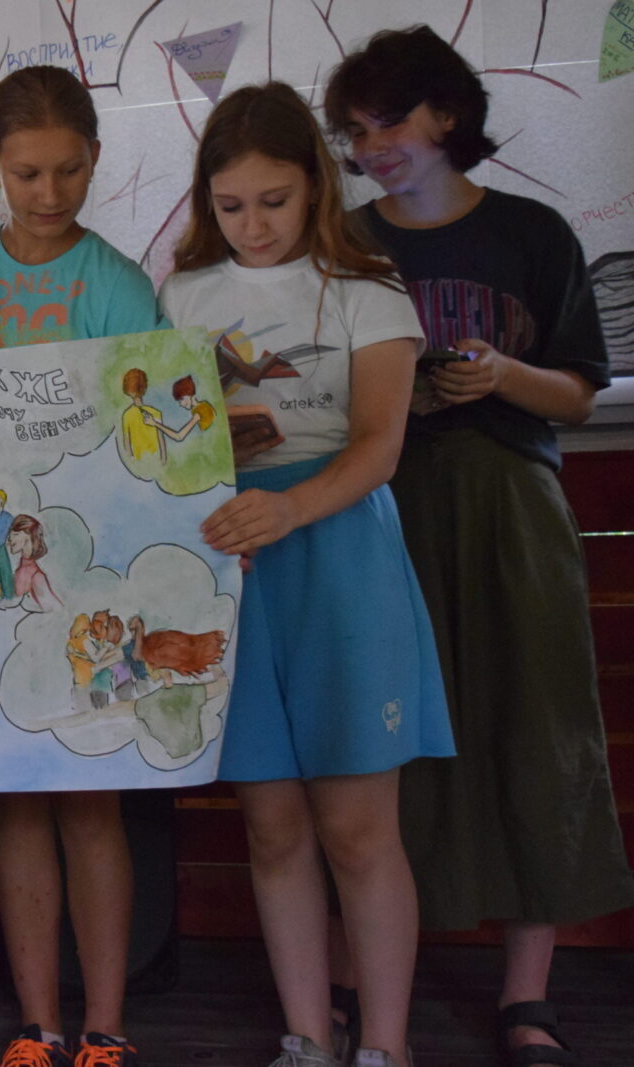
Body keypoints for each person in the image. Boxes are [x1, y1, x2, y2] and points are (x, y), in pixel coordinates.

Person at [324, 27, 633, 1067]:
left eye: (390, 121)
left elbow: (577, 392)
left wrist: (500, 373)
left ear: (447, 116)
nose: (372, 147)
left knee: (532, 729)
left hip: (511, 506)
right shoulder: (342, 242)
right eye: (356, 131)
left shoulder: (532, 233)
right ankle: (364, 989)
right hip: (382, 504)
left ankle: (526, 996)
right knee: (380, 742)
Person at [157, 82, 454, 1067]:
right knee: (273, 824)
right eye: (231, 205)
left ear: (315, 186)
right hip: (231, 560)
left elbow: (377, 447)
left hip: (337, 555)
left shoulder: (367, 288)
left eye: (274, 200)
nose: (253, 224)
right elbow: (167, 440)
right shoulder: (183, 295)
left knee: (358, 828)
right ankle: (306, 1037)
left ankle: (386, 1045)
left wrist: (289, 507)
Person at [0, 64, 163, 1067]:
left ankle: (104, 1025)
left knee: (91, 801)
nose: (49, 193)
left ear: (95, 160)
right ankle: (38, 1022)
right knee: (14, 796)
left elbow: (146, 445)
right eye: (27, 174)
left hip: (89, 575)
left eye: (69, 170)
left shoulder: (119, 283)